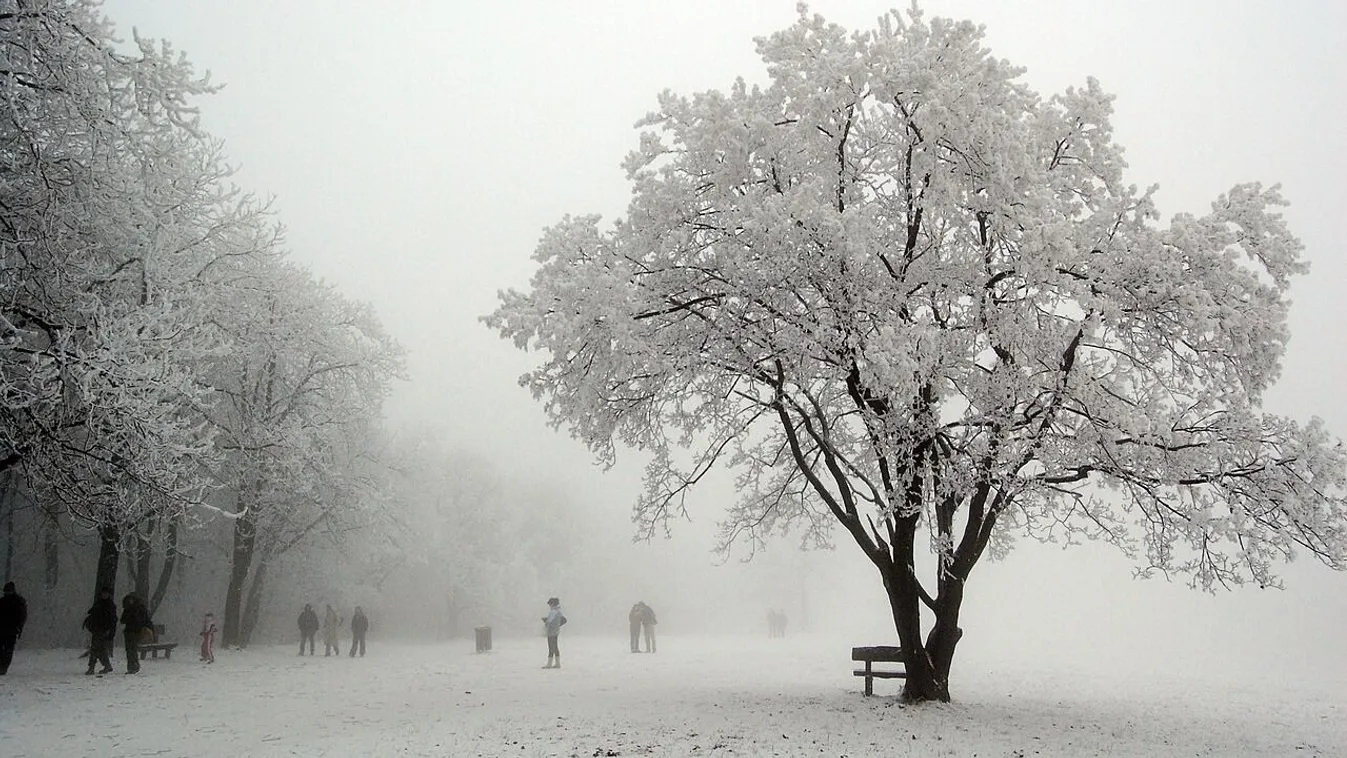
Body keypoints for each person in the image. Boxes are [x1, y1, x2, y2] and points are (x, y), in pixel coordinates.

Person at [82, 589, 117, 675]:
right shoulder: (99, 603)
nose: (104, 595)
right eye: (103, 593)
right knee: (99, 649)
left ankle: (92, 667)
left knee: (96, 648)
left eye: (106, 593)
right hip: (97, 629)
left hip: (103, 630)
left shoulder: (109, 605)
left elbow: (113, 620)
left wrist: (110, 631)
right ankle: (105, 665)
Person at [0, 581, 28, 675]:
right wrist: (19, 628)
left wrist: (19, 627)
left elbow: (22, 616)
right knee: (8, 650)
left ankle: (3, 667)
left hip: (9, 629)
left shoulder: (12, 602)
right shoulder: (19, 601)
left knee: (7, 650)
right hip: (10, 630)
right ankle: (3, 667)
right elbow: (23, 616)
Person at [120, 593, 152, 675]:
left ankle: (133, 666)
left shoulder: (139, 608)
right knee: (129, 650)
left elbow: (145, 620)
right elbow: (122, 620)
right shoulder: (128, 609)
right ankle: (132, 666)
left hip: (136, 632)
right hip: (129, 631)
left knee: (132, 649)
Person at [541, 596, 566, 669]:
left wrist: (545, 621)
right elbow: (563, 620)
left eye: (549, 604)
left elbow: (549, 621)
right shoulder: (559, 611)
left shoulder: (553, 611)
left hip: (551, 631)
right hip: (556, 631)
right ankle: (558, 663)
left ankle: (549, 664)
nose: (549, 606)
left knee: (551, 647)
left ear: (552, 604)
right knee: (555, 647)